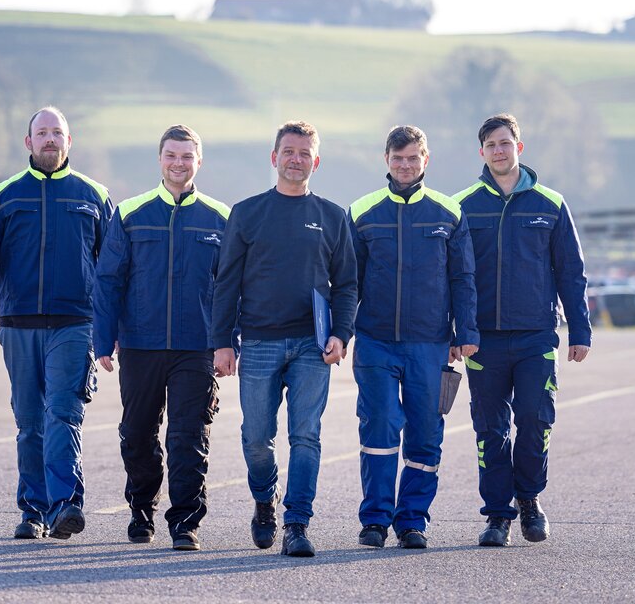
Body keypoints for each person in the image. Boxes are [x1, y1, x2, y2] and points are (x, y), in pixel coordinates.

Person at [0, 106, 113, 540]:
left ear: (69, 141)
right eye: (42, 132)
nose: (50, 139)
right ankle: (33, 509)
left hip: (75, 323)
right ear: (28, 142)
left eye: (57, 133)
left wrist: (112, 325)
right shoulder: (4, 196)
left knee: (63, 413)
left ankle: (67, 503)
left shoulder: (94, 195)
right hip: (18, 324)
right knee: (29, 421)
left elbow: (115, 267)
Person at [211, 120, 358, 558]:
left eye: (305, 153)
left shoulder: (332, 217)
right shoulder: (248, 212)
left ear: (317, 161)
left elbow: (347, 284)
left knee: (306, 436)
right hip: (257, 343)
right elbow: (225, 283)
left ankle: (297, 523)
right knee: (256, 438)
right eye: (289, 152)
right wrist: (222, 341)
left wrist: (341, 333)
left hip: (312, 347)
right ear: (274, 158)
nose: (297, 159)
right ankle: (264, 500)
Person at [452, 113, 591, 547]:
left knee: (534, 418)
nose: (498, 150)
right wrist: (454, 331)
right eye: (491, 144)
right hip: (482, 339)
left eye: (505, 143)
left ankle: (529, 500)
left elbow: (571, 271)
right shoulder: (463, 205)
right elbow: (450, 274)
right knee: (490, 429)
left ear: (519, 147)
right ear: (481, 152)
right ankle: (497, 515)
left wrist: (580, 329)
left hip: (536, 336)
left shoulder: (550, 203)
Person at [92, 126, 229, 552]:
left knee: (189, 437)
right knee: (137, 434)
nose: (179, 163)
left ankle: (186, 522)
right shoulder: (131, 213)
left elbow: (232, 287)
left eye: (187, 156)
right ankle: (141, 509)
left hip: (197, 347)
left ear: (199, 162)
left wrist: (229, 342)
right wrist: (104, 339)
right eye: (172, 155)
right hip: (140, 344)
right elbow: (108, 280)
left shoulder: (220, 217)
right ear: (160, 159)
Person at [348, 125, 479, 549]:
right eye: (398, 158)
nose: (405, 165)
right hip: (375, 342)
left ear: (426, 160)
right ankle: (374, 520)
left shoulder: (448, 213)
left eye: (413, 158)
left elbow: (463, 278)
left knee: (425, 433)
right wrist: (340, 331)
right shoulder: (363, 211)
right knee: (380, 426)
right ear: (386, 160)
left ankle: (412, 520)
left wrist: (465, 331)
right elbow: (348, 282)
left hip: (430, 343)